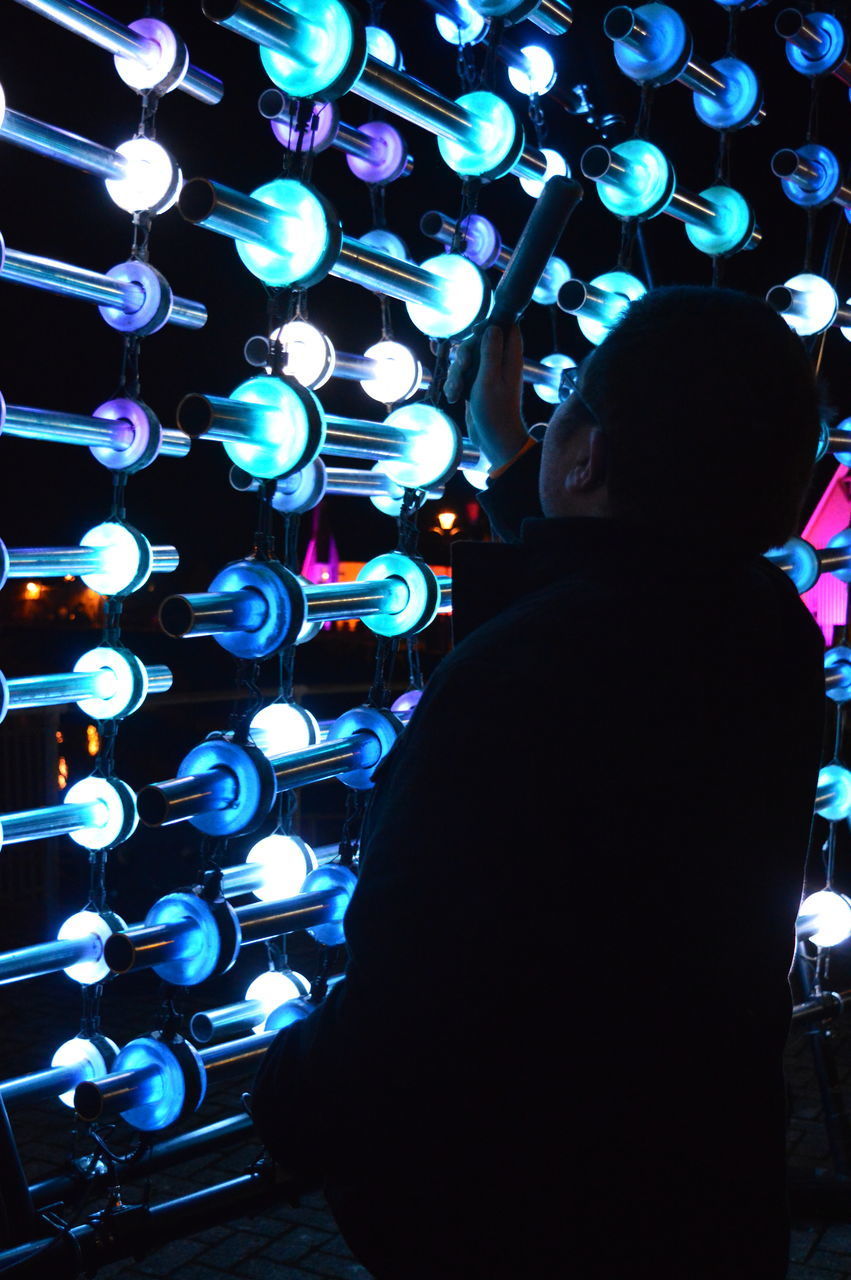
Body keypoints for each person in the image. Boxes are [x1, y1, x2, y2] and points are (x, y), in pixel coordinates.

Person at [251, 286, 825, 1278]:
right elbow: (640, 575)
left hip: (530, 1218)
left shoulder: (510, 679)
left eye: (570, 416)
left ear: (590, 451)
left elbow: (405, 1006)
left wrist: (286, 1092)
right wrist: (515, 447)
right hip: (702, 1195)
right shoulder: (770, 632)